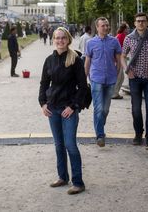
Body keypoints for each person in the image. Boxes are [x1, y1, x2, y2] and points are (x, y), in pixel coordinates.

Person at [39, 27, 88, 195]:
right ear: (53, 40)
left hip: (69, 109)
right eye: (57, 38)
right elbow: (44, 84)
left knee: (70, 145)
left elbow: (82, 87)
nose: (60, 41)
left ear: (68, 40)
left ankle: (78, 182)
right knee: (58, 144)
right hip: (52, 108)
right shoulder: (49, 60)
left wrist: (73, 106)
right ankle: (62, 176)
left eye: (63, 38)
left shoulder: (76, 60)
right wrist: (43, 104)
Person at [121, 12, 148, 150]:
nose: (141, 23)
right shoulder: (129, 38)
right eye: (138, 21)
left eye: (143, 21)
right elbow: (123, 56)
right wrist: (127, 70)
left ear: (147, 22)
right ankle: (138, 134)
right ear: (134, 23)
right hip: (135, 79)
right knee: (136, 109)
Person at [85, 17, 121, 147]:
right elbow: (87, 61)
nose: (106, 27)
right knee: (98, 108)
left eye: (107, 25)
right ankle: (100, 135)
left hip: (110, 79)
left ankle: (99, 125)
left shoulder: (114, 41)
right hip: (96, 79)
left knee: (105, 109)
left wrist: (116, 74)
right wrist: (86, 77)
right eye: (103, 26)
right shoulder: (90, 43)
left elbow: (118, 60)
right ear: (97, 27)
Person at [112, 22, 130, 99]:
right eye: (127, 28)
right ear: (124, 29)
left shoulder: (120, 35)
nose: (128, 29)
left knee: (120, 76)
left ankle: (115, 92)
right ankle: (114, 93)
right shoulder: (122, 36)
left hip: (119, 58)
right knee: (120, 76)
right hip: (120, 58)